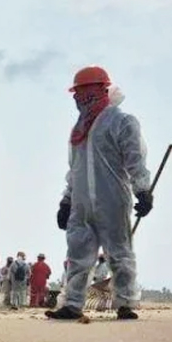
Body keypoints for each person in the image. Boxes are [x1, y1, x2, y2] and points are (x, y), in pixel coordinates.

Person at [49, 66, 152, 321]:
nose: (77, 98)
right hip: (81, 204)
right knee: (77, 255)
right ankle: (72, 304)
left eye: (82, 92)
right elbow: (75, 169)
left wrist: (142, 190)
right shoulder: (78, 130)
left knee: (120, 253)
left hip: (112, 200)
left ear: (99, 91)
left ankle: (125, 303)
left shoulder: (121, 121)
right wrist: (66, 200)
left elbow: (135, 159)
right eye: (76, 94)